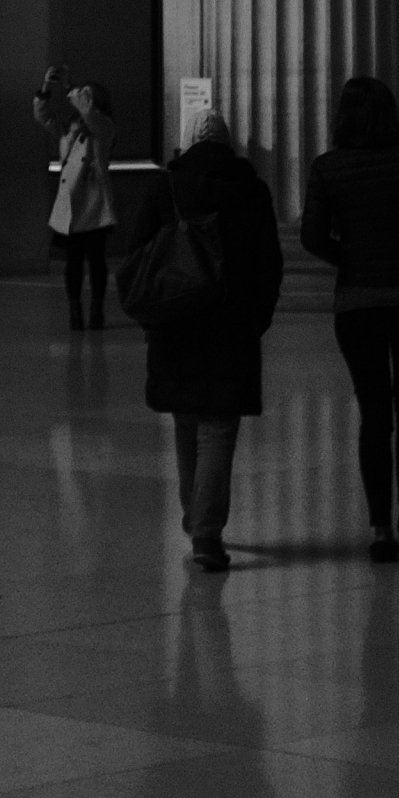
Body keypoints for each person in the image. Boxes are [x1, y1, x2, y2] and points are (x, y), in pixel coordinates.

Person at [299, 74, 399, 560]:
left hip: (357, 302)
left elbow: (311, 236)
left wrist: (348, 257)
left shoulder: (327, 167)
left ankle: (379, 530)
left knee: (374, 414)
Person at [121, 105, 284, 572]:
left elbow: (137, 258)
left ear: (188, 142)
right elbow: (269, 264)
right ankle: (206, 534)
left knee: (187, 422)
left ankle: (197, 518)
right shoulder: (251, 190)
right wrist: (256, 319)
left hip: (175, 322)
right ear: (227, 143)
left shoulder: (166, 187)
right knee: (218, 427)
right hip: (232, 326)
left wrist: (153, 317)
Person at [33, 65, 116, 329]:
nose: (81, 99)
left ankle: (97, 309)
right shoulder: (68, 129)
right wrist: (46, 88)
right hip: (70, 205)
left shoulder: (103, 128)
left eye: (86, 95)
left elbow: (89, 113)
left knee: (96, 260)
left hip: (94, 205)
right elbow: (42, 116)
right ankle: (75, 309)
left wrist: (70, 86)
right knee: (74, 262)